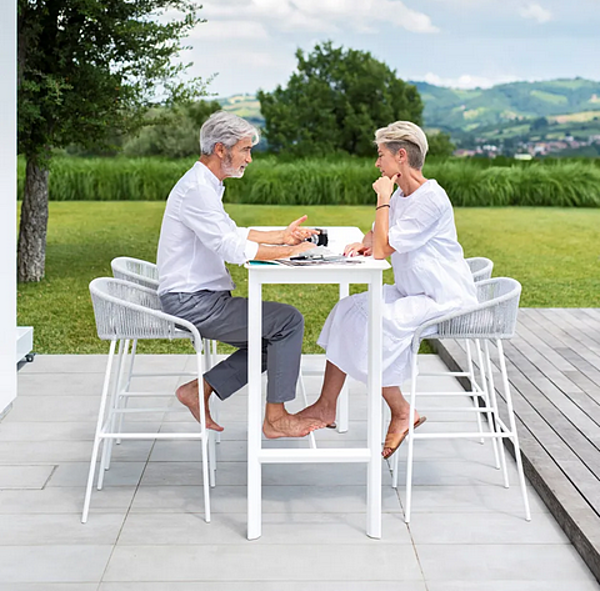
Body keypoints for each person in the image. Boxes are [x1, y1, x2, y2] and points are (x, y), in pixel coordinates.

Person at [298, 120, 477, 458]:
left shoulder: (430, 199)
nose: (377, 164)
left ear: (401, 156)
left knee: (375, 322)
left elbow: (383, 248)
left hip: (442, 297)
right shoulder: (402, 195)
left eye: (381, 156)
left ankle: (401, 411)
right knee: (347, 310)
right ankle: (326, 405)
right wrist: (362, 242)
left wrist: (381, 199)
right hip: (412, 290)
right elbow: (376, 236)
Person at [157, 110, 327, 439]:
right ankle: (275, 419)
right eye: (246, 150)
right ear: (222, 149)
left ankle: (200, 389)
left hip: (197, 297)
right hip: (192, 302)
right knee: (287, 322)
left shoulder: (204, 185)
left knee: (275, 337)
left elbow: (231, 232)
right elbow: (230, 247)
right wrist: (290, 254)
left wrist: (281, 237)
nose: (249, 158)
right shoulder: (198, 190)